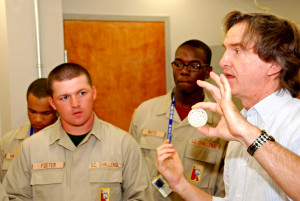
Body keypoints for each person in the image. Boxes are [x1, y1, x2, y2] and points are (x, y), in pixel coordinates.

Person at [156, 10, 300, 201]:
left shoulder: (294, 121)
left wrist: (247, 133)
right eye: (226, 50)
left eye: (237, 51)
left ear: (274, 63)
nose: (223, 61)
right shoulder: (238, 126)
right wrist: (180, 184)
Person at [3, 63, 153, 201]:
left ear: (93, 93)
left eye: (82, 93)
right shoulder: (31, 148)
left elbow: (141, 197)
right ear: (52, 103)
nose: (75, 104)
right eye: (65, 97)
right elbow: (15, 197)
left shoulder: (123, 145)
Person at [129, 39, 228, 200]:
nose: (184, 71)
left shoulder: (221, 122)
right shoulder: (145, 112)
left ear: (208, 72)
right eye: (179, 64)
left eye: (194, 66)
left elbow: (225, 187)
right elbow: (130, 170)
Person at [0, 78, 57, 181]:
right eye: (32, 111)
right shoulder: (8, 142)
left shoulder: (67, 141)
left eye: (46, 113)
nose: (38, 119)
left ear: (56, 108)